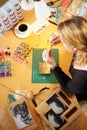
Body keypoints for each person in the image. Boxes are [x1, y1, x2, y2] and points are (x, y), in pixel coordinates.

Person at [42, 16, 87, 101]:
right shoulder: (82, 45)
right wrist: (65, 38)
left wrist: (53, 66)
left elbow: (67, 87)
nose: (61, 41)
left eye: (64, 41)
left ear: (75, 46)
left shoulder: (81, 79)